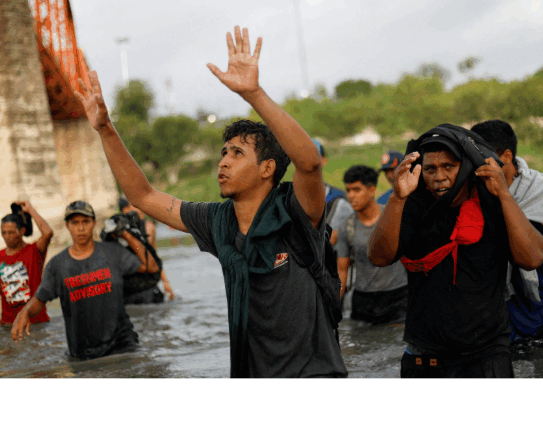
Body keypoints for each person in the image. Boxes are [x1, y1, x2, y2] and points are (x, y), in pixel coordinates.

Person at [73, 26, 346, 377]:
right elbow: (142, 196)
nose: (223, 162)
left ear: (267, 168)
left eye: (237, 153)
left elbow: (308, 162)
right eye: (223, 153)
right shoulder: (217, 220)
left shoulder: (296, 211)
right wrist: (105, 130)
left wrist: (253, 93)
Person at [368, 123, 543, 378]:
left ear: (465, 168)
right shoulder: (413, 208)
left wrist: (505, 196)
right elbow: (379, 257)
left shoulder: (491, 205)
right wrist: (397, 198)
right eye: (430, 169)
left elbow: (533, 258)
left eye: (448, 167)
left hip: (487, 354)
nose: (439, 176)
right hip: (425, 355)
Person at [470, 120, 543, 342]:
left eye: (481, 157)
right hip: (500, 314)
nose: (475, 165)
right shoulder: (472, 195)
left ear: (506, 156)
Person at [11, 201, 159, 360]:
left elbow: (151, 267)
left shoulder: (113, 253)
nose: (81, 228)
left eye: (85, 222)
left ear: (93, 223)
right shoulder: (57, 265)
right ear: (67, 226)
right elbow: (40, 299)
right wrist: (25, 312)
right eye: (75, 223)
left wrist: (127, 235)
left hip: (122, 344)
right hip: (83, 350)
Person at [334, 165, 409, 325]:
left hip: (397, 297)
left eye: (357, 190)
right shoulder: (347, 226)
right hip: (363, 301)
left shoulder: (392, 218)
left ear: (372, 190)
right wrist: (332, 308)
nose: (351, 196)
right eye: (348, 190)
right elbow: (342, 270)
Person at [114, 198, 175, 303]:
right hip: (128, 288)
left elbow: (154, 256)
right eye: (136, 206)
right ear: (125, 210)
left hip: (148, 286)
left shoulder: (148, 227)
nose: (141, 209)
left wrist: (165, 282)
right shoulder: (117, 232)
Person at [314, 139, 352, 238]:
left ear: (324, 161)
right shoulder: (287, 197)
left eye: (313, 156)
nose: (307, 161)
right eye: (302, 156)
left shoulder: (340, 198)